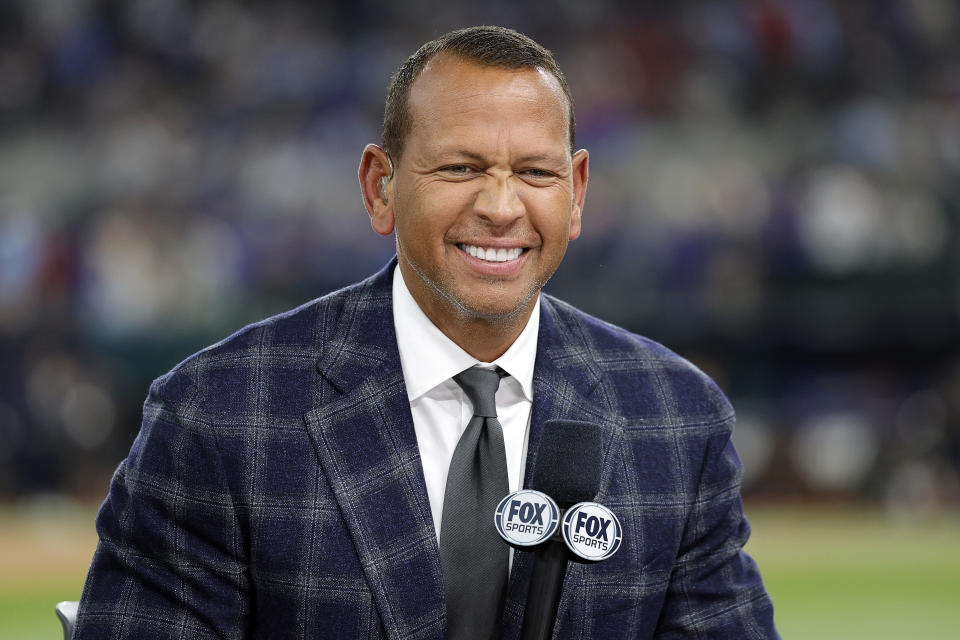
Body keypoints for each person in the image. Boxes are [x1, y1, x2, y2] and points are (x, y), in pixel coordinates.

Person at [74, 26, 778, 639]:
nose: (502, 207)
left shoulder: (677, 419)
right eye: (461, 168)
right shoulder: (217, 416)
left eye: (535, 172)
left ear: (578, 192)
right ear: (380, 186)